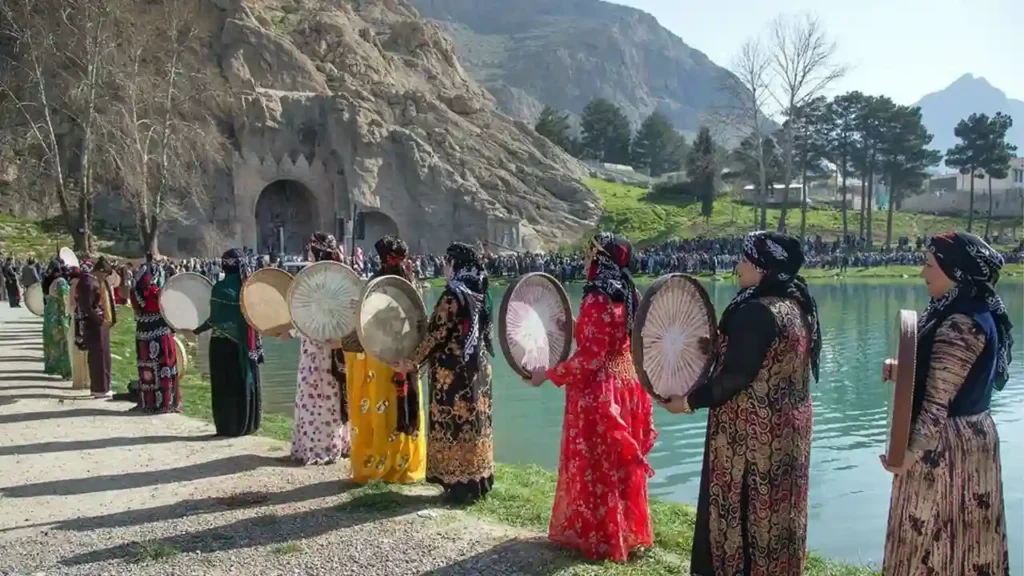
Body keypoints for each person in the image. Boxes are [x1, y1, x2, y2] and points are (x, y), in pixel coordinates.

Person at [660, 230, 821, 576]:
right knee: (779, 512)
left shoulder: (755, 312)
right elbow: (765, 359)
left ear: (762, 268)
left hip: (748, 438)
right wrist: (716, 348)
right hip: (787, 432)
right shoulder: (796, 307)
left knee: (744, 513)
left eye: (745, 260)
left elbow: (735, 377)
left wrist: (687, 402)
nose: (738, 267)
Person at [879, 232, 1011, 576]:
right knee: (965, 536)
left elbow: (938, 402)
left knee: (935, 538)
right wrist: (902, 371)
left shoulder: (960, 323)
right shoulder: (969, 310)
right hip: (969, 436)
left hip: (946, 447)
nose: (923, 273)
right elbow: (952, 377)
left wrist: (906, 455)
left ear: (955, 271)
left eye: (929, 265)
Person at [525, 232, 656, 563]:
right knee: (620, 465)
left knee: (596, 464)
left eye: (588, 257)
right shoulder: (627, 291)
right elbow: (611, 338)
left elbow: (591, 358)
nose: (585, 262)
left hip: (600, 391)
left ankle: (599, 536)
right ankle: (624, 530)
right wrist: (573, 323)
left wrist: (549, 375)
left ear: (600, 259)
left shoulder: (598, 296)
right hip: (627, 385)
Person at [398, 242, 494, 503]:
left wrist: (412, 361)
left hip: (453, 374)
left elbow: (435, 334)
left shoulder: (453, 294)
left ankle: (457, 483)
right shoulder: (481, 289)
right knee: (476, 424)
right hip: (479, 370)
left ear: (455, 264)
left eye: (448, 262)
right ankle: (478, 479)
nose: (445, 267)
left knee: (453, 425)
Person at [345, 234, 426, 484]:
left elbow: (374, 323)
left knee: (384, 409)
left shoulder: (378, 282)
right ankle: (405, 462)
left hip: (382, 358)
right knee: (402, 405)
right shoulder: (411, 284)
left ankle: (383, 463)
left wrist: (357, 309)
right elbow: (418, 324)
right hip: (406, 356)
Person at [282, 233, 350, 464]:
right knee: (337, 394)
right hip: (339, 345)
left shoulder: (311, 280)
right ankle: (339, 444)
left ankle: (315, 447)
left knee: (315, 396)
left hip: (315, 347)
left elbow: (306, 319)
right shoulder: (343, 277)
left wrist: (290, 333)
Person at [191, 249, 263, 436]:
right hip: (247, 345)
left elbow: (214, 319)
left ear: (224, 265)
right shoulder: (249, 289)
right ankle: (248, 424)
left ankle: (229, 426)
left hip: (224, 346)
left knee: (225, 386)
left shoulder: (221, 289)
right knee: (242, 383)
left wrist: (194, 330)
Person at [129, 253, 181, 413]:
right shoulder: (157, 293)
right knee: (164, 367)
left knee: (147, 369)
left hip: (143, 335)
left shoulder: (135, 293)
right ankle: (166, 402)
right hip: (160, 336)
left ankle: (148, 401)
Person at [76, 258, 117, 399]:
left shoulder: (93, 281)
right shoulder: (88, 282)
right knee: (98, 356)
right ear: (100, 271)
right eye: (105, 274)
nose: (104, 278)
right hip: (94, 324)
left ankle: (105, 386)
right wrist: (98, 319)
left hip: (99, 323)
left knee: (103, 355)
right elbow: (87, 306)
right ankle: (99, 388)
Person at [41, 259, 72, 379]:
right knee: (63, 343)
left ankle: (52, 366)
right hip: (58, 316)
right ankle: (65, 370)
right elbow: (64, 301)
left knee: (51, 342)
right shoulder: (61, 282)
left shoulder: (49, 280)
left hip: (50, 314)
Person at [66, 265, 91, 391]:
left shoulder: (72, 286)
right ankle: (88, 380)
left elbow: (70, 305)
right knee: (86, 352)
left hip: (75, 319)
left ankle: (78, 381)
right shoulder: (86, 285)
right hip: (85, 320)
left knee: (76, 351)